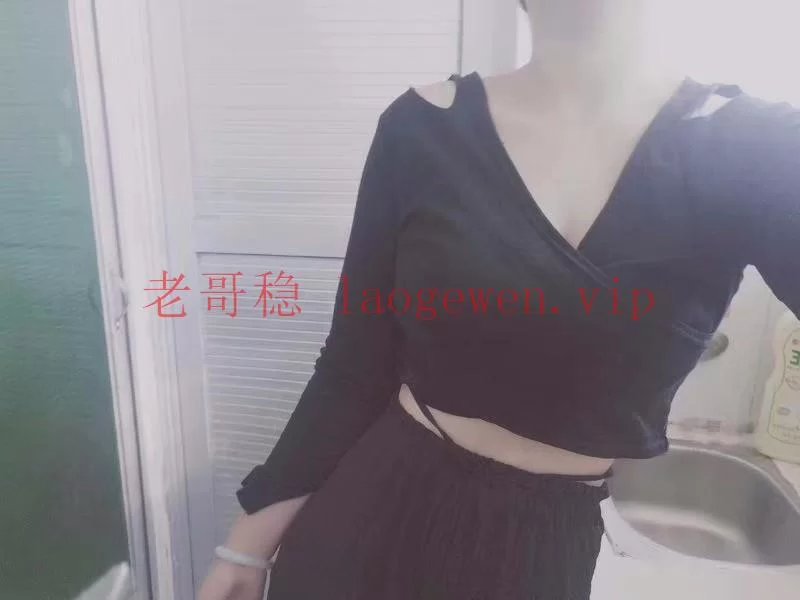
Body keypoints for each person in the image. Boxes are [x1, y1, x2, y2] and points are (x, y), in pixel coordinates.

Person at [199, 1, 800, 598]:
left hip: (539, 552)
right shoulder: (421, 128)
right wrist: (245, 547)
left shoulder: (759, 150)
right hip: (367, 522)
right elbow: (353, 365)